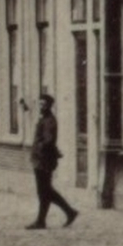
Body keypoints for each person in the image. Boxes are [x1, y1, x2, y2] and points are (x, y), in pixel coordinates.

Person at [24, 92, 79, 229]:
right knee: (45, 191)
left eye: (44, 104)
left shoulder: (49, 120)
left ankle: (65, 213)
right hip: (40, 159)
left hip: (44, 160)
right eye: (40, 104)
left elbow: (48, 141)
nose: (41, 106)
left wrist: (38, 148)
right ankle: (58, 215)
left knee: (45, 191)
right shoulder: (45, 118)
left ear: (49, 105)